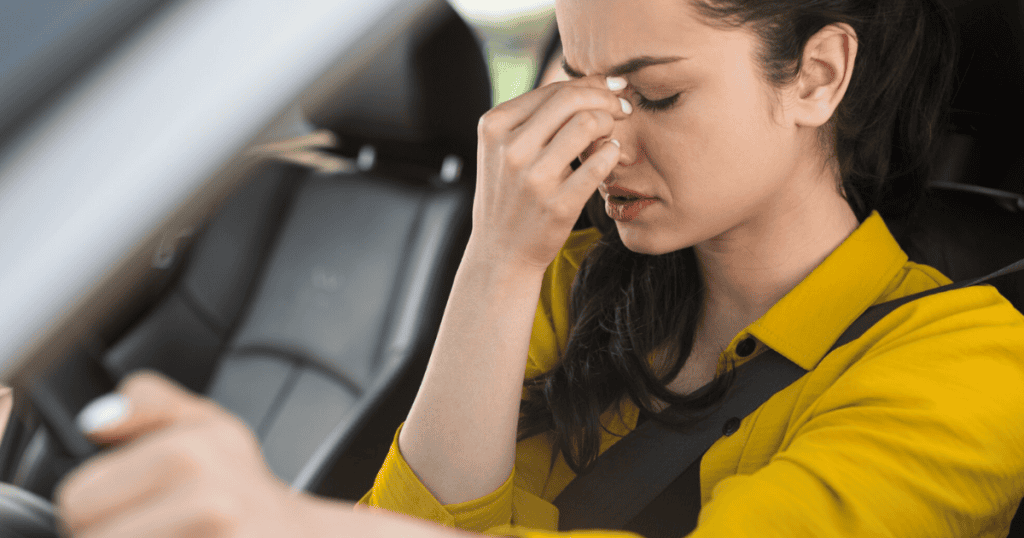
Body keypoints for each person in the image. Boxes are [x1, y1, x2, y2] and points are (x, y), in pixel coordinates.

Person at [47, 0, 1024, 536]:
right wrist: (498, 256)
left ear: (817, 76)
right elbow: (422, 517)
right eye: (585, 87)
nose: (605, 141)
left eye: (656, 95)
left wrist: (288, 526)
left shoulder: (976, 365)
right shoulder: (577, 281)